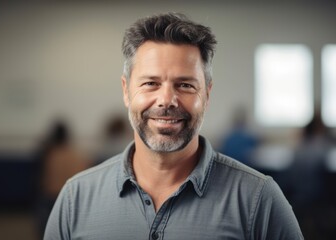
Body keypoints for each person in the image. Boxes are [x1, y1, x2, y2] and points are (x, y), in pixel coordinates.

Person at [44, 13, 303, 239]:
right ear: (126, 90)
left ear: (207, 95)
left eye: (185, 85)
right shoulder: (75, 198)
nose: (167, 100)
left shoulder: (258, 199)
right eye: (150, 83)